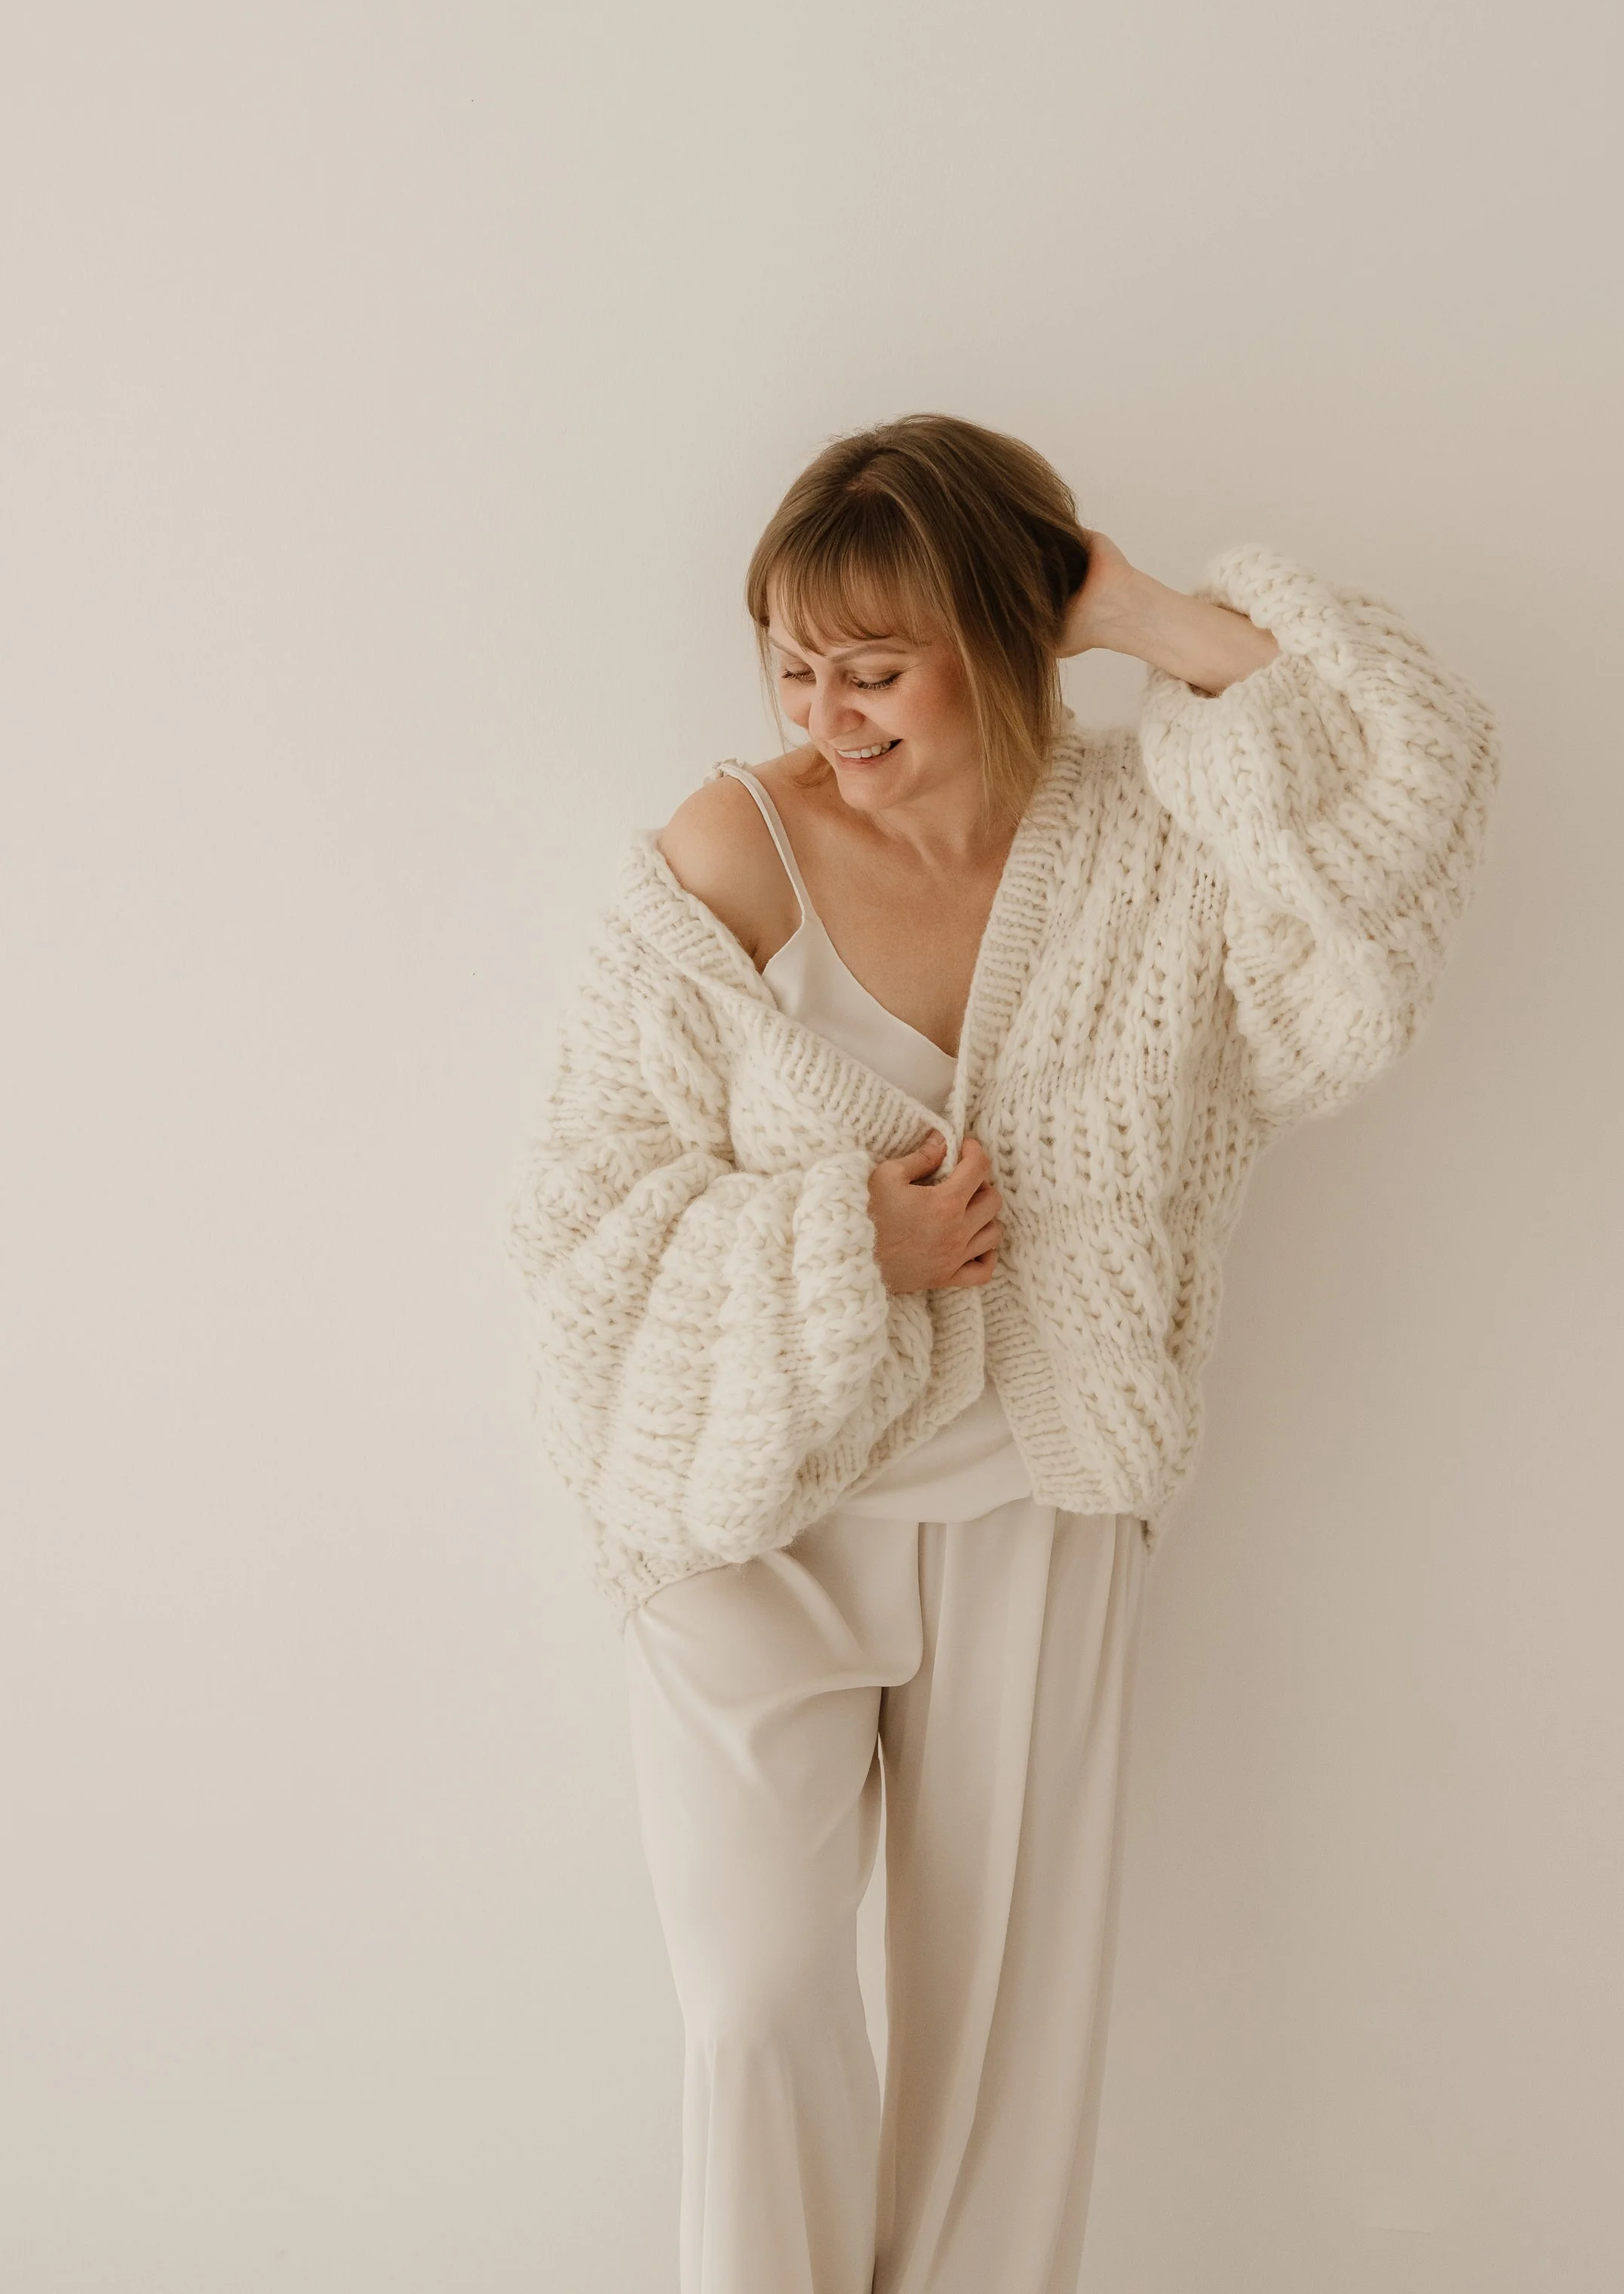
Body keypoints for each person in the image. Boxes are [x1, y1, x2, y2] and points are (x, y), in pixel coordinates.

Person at [502, 411, 1501, 2294]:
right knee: (758, 1995)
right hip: (751, 1520)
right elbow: (579, 1221)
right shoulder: (731, 845)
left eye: (873, 668)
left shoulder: (1148, 837)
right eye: (791, 664)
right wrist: (841, 1245)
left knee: (1006, 2060)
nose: (825, 712)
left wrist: (1127, 606)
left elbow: (1406, 786)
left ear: (1000, 634)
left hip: (1035, 1496)